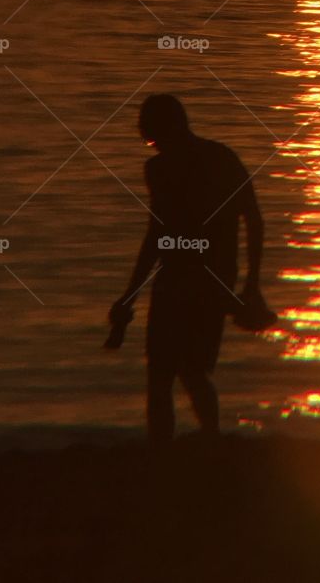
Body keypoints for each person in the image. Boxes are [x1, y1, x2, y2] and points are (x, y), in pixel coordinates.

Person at [108, 93, 265, 445]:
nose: (151, 144)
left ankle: (208, 441)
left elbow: (253, 219)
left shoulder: (219, 160)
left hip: (210, 279)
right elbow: (157, 237)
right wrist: (129, 297)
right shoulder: (160, 168)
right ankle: (167, 447)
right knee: (163, 371)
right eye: (148, 139)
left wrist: (251, 286)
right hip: (178, 278)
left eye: (152, 136)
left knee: (189, 370)